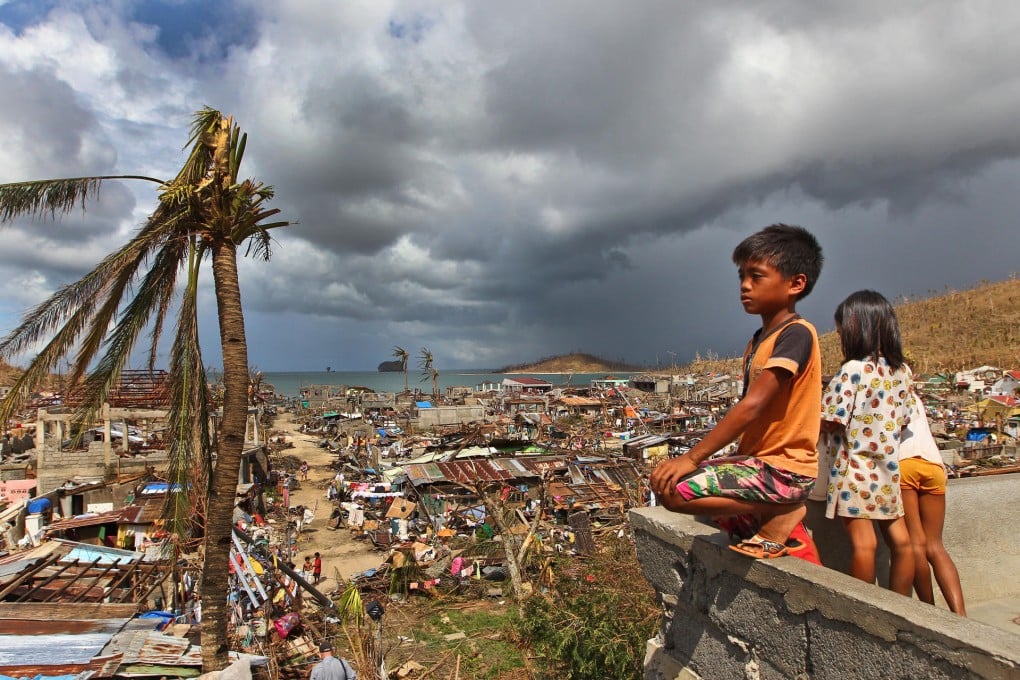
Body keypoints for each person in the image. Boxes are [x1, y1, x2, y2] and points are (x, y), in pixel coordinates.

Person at [650, 224, 824, 558]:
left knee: (676, 491)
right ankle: (769, 520)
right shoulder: (759, 340)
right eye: (742, 276)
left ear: (796, 283)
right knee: (663, 478)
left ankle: (783, 509)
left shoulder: (797, 334)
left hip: (785, 469)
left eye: (757, 276)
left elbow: (753, 405)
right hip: (758, 463)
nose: (745, 285)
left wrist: (691, 457)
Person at [819, 290, 915, 595]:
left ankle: (861, 614)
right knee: (902, 542)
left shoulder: (852, 371)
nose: (839, 336)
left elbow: (831, 418)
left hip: (854, 470)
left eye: (841, 330)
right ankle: (900, 610)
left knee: (864, 544)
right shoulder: (903, 372)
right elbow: (905, 418)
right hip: (887, 470)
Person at [899, 393, 967, 614]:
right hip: (934, 465)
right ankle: (961, 615)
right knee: (936, 546)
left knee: (916, 544)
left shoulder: (884, 387)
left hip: (904, 463)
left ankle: (931, 613)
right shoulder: (915, 396)